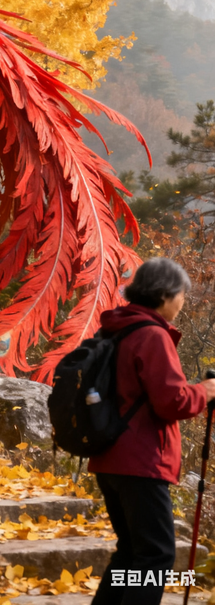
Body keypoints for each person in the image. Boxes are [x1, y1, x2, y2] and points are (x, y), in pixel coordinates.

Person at [90, 257, 215, 605]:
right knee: (156, 556)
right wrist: (204, 392)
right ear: (165, 294)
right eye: (182, 295)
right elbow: (171, 403)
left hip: (109, 457)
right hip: (141, 462)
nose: (183, 302)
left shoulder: (117, 329)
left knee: (131, 552)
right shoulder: (152, 334)